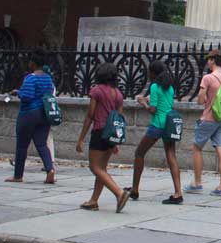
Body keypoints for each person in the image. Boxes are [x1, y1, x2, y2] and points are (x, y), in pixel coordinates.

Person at [75, 62, 131, 213]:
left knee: (95, 167)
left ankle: (119, 193)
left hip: (99, 131)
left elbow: (90, 115)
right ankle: (93, 201)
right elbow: (119, 117)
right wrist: (116, 141)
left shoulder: (97, 91)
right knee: (102, 168)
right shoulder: (118, 93)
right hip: (111, 133)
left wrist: (81, 138)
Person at [127, 60, 183, 204]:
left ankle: (135, 189)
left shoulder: (154, 86)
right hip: (169, 123)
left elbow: (153, 109)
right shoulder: (169, 87)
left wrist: (143, 103)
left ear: (153, 73)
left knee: (139, 153)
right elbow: (164, 102)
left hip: (157, 124)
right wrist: (149, 99)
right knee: (171, 155)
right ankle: (178, 193)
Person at [186, 50, 221, 197]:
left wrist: (205, 100)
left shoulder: (208, 78)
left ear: (212, 60)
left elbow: (200, 99)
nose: (207, 62)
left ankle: (197, 183)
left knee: (197, 148)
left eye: (208, 59)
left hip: (209, 118)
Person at [6, 50, 55, 184]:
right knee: (41, 144)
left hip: (29, 113)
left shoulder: (31, 78)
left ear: (33, 63)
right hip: (44, 113)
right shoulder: (48, 78)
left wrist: (18, 92)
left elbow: (27, 96)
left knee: (22, 145)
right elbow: (49, 93)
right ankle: (50, 169)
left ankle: (18, 175)